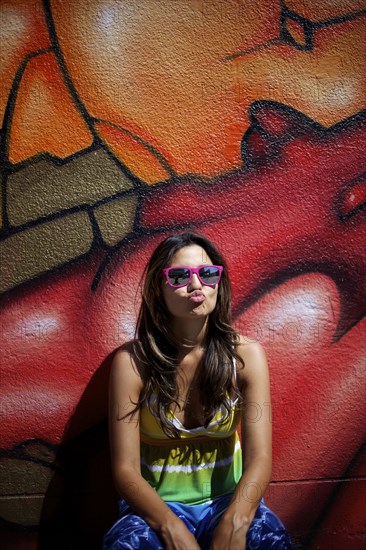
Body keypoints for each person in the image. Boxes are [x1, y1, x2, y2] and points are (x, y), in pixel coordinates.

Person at [103, 232, 292, 549]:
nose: (196, 286)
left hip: (226, 503)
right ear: (157, 288)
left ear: (219, 282)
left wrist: (237, 520)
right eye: (179, 276)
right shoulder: (132, 364)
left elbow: (259, 459)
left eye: (207, 274)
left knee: (269, 541)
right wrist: (169, 527)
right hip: (156, 508)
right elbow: (125, 470)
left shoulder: (246, 357)